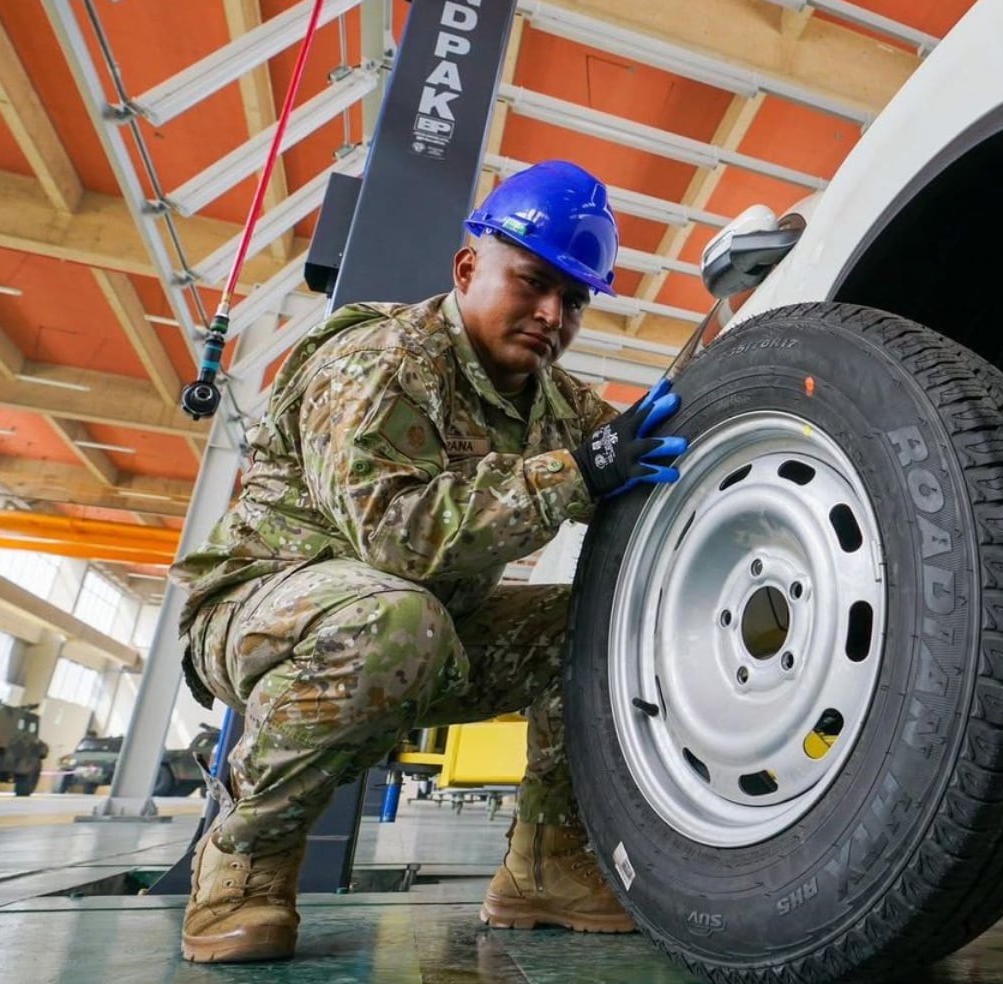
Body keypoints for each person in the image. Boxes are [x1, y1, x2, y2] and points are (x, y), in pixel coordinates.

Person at [168, 160, 687, 964]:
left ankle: (544, 866)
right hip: (269, 611)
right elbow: (393, 535)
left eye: (575, 299)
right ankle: (244, 855)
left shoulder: (550, 402)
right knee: (392, 618)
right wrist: (576, 474)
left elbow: (638, 443)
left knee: (597, 625)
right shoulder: (379, 360)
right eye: (534, 282)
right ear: (468, 267)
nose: (553, 314)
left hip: (429, 627)